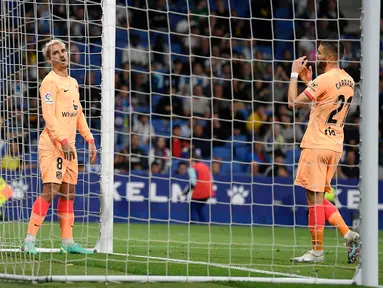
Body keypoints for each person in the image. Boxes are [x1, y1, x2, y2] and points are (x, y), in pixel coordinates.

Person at [21, 39, 97, 255]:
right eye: (56, 53)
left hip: (70, 147)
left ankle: (67, 242)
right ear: (50, 59)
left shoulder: (73, 82)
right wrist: (62, 140)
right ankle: (29, 241)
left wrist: (89, 139)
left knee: (69, 193)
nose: (62, 55)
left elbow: (78, 112)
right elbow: (48, 115)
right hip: (53, 145)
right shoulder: (49, 82)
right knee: (51, 190)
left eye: (63, 51)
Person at [288, 40, 359, 263]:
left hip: (316, 144)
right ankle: (348, 235)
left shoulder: (324, 79)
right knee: (316, 197)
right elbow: (325, 102)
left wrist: (293, 74)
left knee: (313, 199)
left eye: (318, 53)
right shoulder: (348, 79)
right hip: (335, 145)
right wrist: (310, 82)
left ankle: (317, 251)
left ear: (329, 57)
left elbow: (292, 102)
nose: (314, 56)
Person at [182, 158, 215, 224]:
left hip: (200, 191)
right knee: (199, 208)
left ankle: (192, 222)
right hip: (208, 191)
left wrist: (186, 192)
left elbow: (193, 182)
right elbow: (212, 179)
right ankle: (202, 222)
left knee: (192, 206)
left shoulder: (192, 168)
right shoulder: (205, 166)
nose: (188, 164)